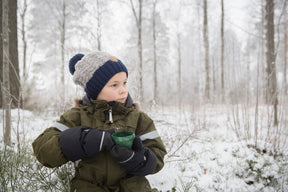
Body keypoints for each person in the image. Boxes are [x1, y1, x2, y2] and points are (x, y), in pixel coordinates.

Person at [32, 51, 167, 192]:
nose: (123, 90)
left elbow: (158, 155)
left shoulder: (139, 118)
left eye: (124, 83)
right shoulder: (76, 116)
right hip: (88, 187)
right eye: (114, 85)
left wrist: (139, 159)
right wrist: (80, 140)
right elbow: (42, 150)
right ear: (95, 90)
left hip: (133, 187)